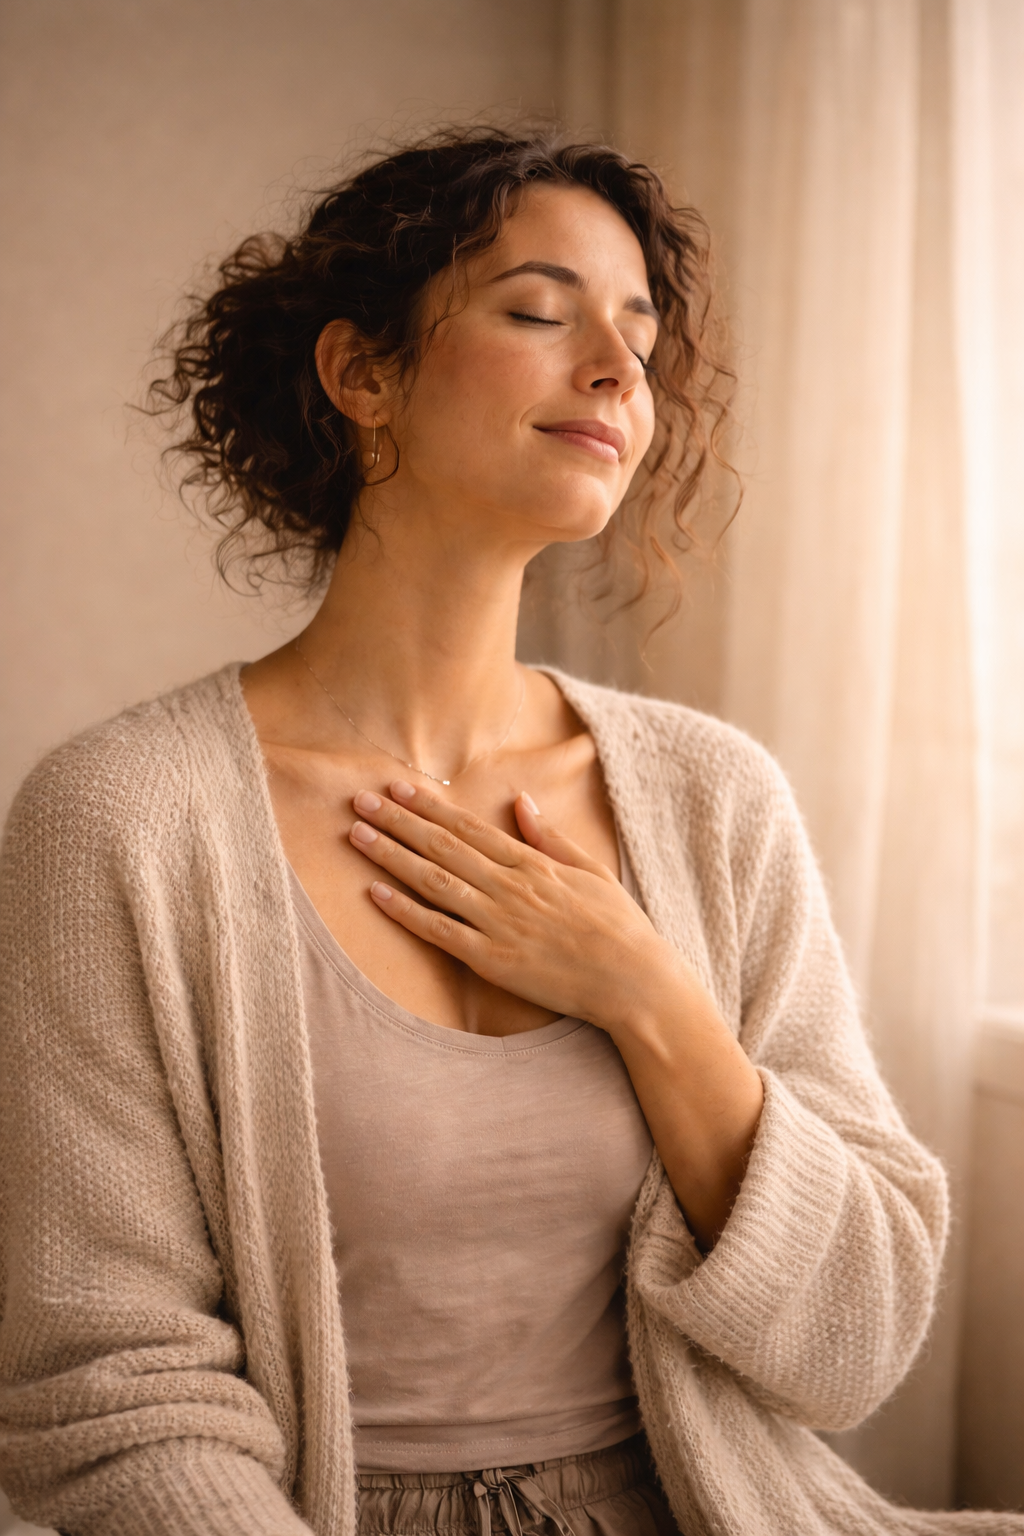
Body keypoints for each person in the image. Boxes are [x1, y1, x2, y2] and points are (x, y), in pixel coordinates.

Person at [0, 130, 1014, 1536]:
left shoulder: (714, 799)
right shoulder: (119, 820)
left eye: (640, 337)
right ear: (363, 375)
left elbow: (853, 1344)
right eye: (541, 313)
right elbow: (106, 1384)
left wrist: (648, 993)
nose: (615, 368)